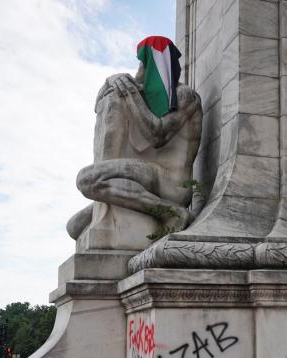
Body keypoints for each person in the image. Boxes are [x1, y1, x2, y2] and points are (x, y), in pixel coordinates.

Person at [67, 35, 203, 240]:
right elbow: (100, 107)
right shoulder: (145, 96)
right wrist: (109, 82)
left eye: (142, 63)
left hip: (171, 183)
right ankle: (159, 209)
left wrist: (130, 92)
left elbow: (158, 134)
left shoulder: (184, 95)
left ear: (153, 66)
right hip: (148, 177)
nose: (138, 70)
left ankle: (171, 212)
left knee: (86, 179)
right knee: (74, 226)